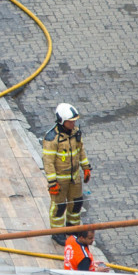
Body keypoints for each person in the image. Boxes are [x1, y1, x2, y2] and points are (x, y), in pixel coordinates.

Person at [43, 103, 91, 245]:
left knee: (76, 204)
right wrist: (52, 183)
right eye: (71, 121)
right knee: (59, 207)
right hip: (60, 180)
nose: (73, 123)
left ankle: (72, 230)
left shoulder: (76, 133)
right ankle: (57, 233)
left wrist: (86, 167)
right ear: (62, 121)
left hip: (74, 178)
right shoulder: (51, 138)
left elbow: (80, 151)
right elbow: (48, 162)